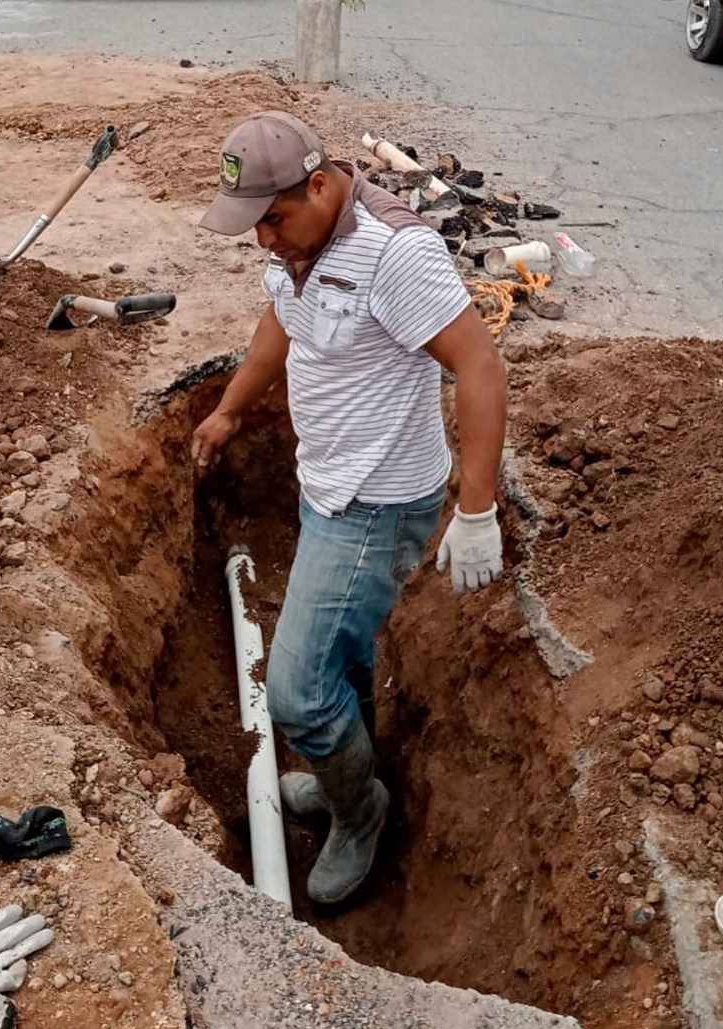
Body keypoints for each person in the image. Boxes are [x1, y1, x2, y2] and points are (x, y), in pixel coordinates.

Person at [193, 111, 507, 905]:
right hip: (328, 484)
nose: (264, 240)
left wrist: (476, 511)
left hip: (377, 505)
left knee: (298, 694)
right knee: (345, 660)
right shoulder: (299, 249)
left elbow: (479, 367)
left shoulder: (395, 254)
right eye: (253, 225)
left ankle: (360, 811)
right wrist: (230, 408)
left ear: (322, 186)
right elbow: (282, 322)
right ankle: (346, 784)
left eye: (273, 218)